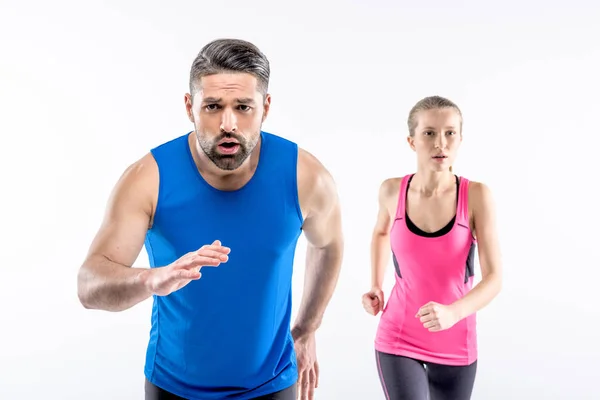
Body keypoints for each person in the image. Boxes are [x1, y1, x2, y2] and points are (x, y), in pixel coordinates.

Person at [77, 38, 344, 400]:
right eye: (213, 107)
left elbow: (328, 244)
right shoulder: (149, 178)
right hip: (173, 387)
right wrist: (150, 279)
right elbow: (89, 285)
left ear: (265, 107)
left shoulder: (305, 176)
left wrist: (307, 329)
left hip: (273, 384)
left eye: (243, 107)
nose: (228, 123)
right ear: (190, 106)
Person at [361, 96, 503, 400]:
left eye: (450, 133)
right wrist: (375, 285)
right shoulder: (391, 190)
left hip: (456, 341)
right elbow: (380, 232)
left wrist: (454, 313)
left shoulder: (476, 196)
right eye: (429, 133)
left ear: (460, 139)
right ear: (412, 141)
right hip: (399, 335)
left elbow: (494, 280)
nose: (441, 143)